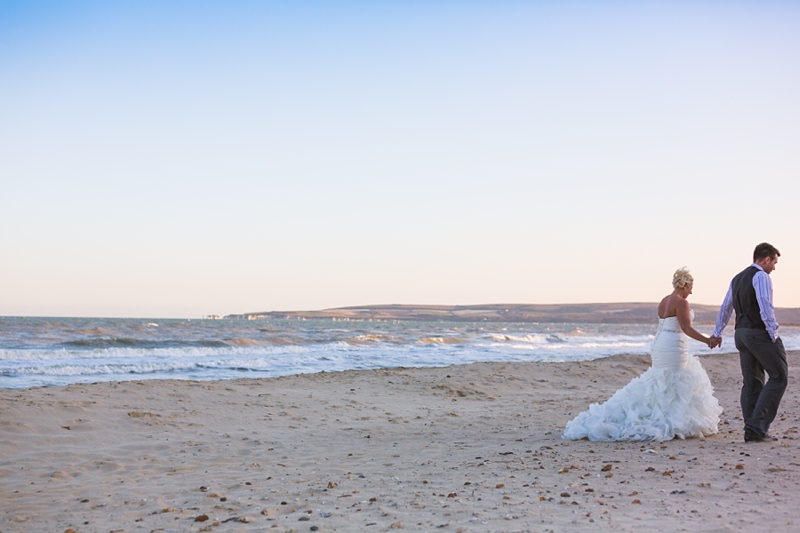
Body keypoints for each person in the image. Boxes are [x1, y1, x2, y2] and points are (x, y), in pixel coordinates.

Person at [562, 268, 723, 441]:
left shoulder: (664, 301)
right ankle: (672, 421)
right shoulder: (682, 303)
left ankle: (671, 417)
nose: (691, 291)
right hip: (672, 346)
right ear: (684, 285)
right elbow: (686, 328)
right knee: (674, 379)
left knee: (663, 380)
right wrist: (708, 341)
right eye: (690, 287)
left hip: (660, 344)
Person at [710, 243, 785, 443]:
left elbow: (725, 307)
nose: (774, 268)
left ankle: (752, 430)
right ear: (766, 259)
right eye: (774, 262)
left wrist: (717, 332)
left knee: (752, 382)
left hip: (741, 334)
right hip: (758, 332)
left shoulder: (737, 278)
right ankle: (756, 426)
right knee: (779, 376)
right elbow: (765, 304)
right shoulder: (761, 276)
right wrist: (773, 332)